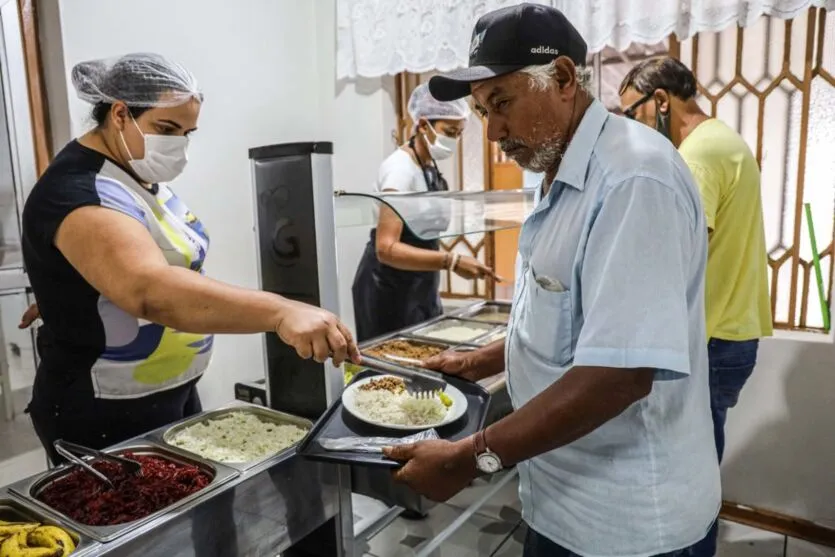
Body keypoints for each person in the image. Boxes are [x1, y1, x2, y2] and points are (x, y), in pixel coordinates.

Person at [380, 5, 721, 557]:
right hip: (557, 499)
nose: (493, 132)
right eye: (482, 111)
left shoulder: (634, 177)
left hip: (625, 523)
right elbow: (563, 313)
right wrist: (481, 359)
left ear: (563, 78)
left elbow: (618, 375)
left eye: (502, 104)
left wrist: (473, 457)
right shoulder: (556, 173)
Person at [21, 53, 359, 465]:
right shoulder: (78, 188)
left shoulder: (137, 175)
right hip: (104, 403)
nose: (178, 143)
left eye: (187, 132)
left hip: (170, 392)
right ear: (120, 114)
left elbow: (150, 260)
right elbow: (148, 290)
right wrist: (279, 311)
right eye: (166, 128)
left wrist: (69, 291)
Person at [619, 56, 773, 556]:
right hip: (733, 332)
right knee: (702, 462)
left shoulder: (697, 154)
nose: (630, 127)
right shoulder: (723, 139)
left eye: (631, 114)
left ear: (660, 100)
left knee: (683, 474)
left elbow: (679, 251)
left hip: (710, 339)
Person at [351, 83, 496, 342]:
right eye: (449, 132)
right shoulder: (399, 171)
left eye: (459, 134)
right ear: (422, 125)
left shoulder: (429, 166)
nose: (453, 140)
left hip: (419, 284)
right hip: (389, 289)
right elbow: (386, 248)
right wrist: (451, 261)